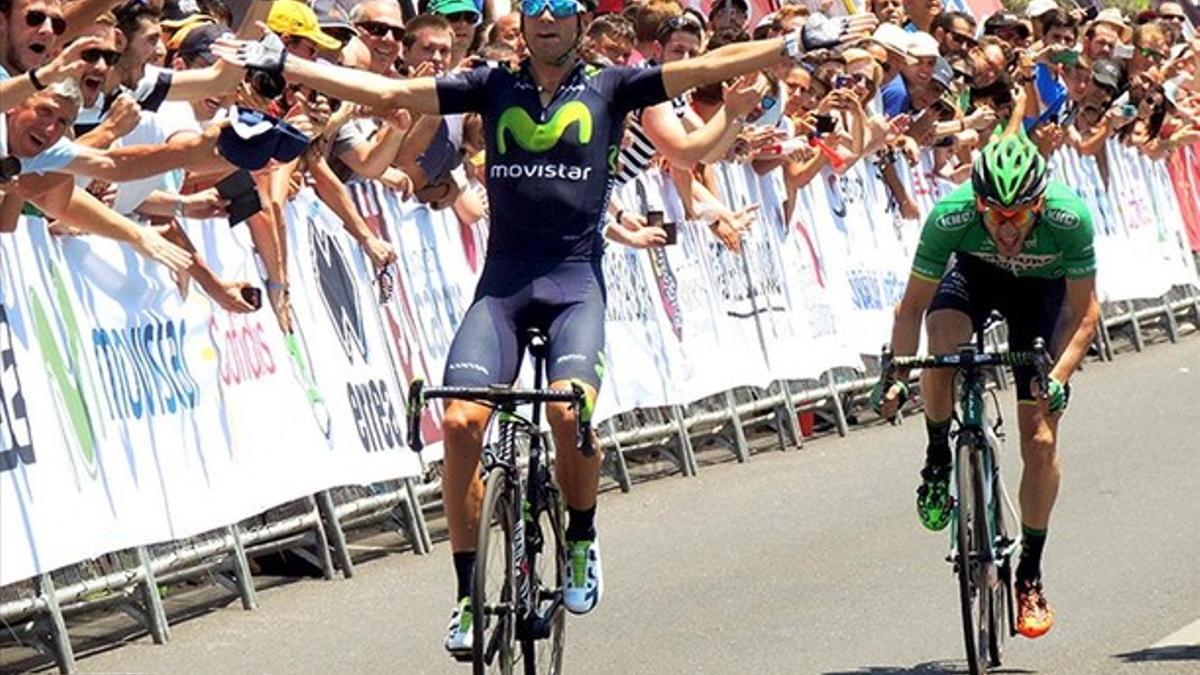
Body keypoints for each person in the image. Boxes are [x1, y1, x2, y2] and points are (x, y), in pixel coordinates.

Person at [210, 0, 876, 657]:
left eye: (561, 7)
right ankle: (470, 593)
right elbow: (388, 87)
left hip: (574, 285)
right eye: (535, 8)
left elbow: (710, 63)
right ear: (524, 23)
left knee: (567, 415)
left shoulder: (613, 85)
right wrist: (290, 62)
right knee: (465, 425)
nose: (547, 18)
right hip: (501, 287)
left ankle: (581, 538)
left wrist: (788, 49)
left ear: (581, 22)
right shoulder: (491, 84)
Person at [872, 129, 1101, 640]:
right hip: (975, 278)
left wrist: (1058, 378)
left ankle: (1030, 576)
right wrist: (897, 374)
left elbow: (1086, 316)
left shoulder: (1070, 218)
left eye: (1019, 214)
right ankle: (936, 458)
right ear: (977, 203)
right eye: (994, 214)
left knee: (1039, 439)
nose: (1006, 227)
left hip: (1042, 296)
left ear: (1039, 204)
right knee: (943, 343)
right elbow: (909, 309)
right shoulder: (949, 217)